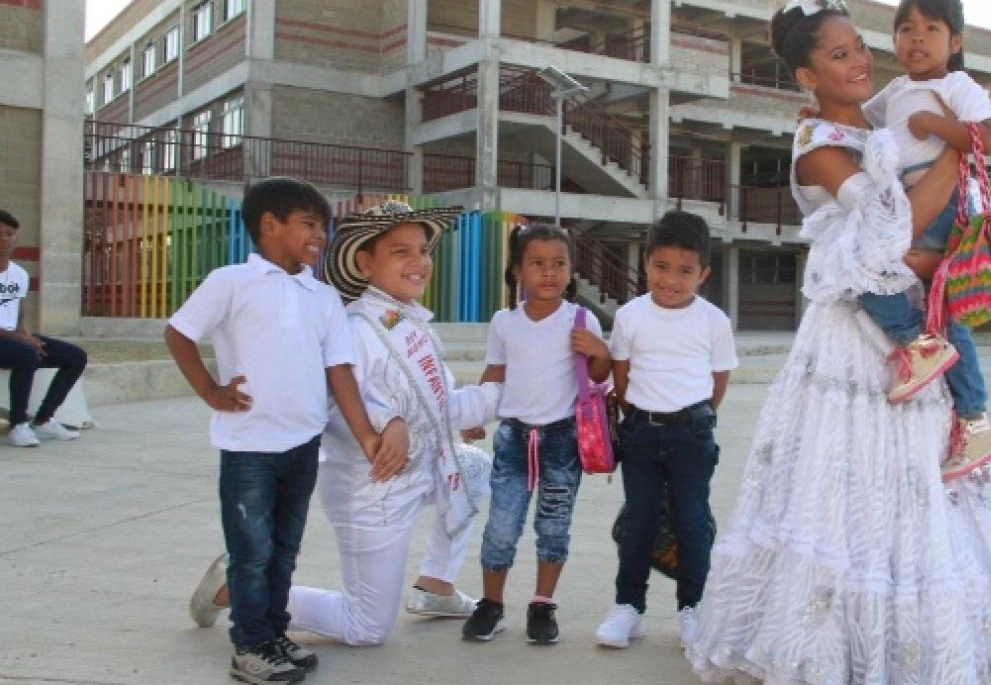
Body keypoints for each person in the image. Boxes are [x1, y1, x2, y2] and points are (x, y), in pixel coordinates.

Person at [686, 0, 991, 685]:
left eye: (859, 47)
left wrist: (930, 238)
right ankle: (837, 645)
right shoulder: (820, 146)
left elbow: (911, 226)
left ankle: (911, 645)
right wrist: (955, 145)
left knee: (918, 479)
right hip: (856, 342)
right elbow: (894, 226)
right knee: (848, 484)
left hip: (920, 327)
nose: (859, 62)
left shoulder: (881, 119)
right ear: (806, 75)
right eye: (838, 54)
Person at [186, 201, 503, 649]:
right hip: (373, 488)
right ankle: (234, 588)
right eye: (400, 252)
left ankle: (436, 585)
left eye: (423, 250)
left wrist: (513, 396)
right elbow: (334, 402)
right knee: (367, 627)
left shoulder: (407, 321)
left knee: (473, 468)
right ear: (365, 261)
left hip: (417, 469)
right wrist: (388, 420)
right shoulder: (353, 326)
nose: (419, 263)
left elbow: (442, 406)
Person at [165, 177, 383, 685]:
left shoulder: (322, 297)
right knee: (251, 552)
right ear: (270, 224)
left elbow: (339, 372)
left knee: (285, 549)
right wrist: (210, 391)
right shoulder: (231, 282)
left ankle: (274, 632)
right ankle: (248, 647)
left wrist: (367, 434)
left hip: (302, 444)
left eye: (324, 228)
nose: (320, 236)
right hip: (249, 448)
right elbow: (179, 332)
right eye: (309, 224)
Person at [857, 0, 991, 481]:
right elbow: (861, 119)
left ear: (955, 41)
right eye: (906, 29)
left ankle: (919, 347)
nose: (917, 39)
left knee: (868, 269)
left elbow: (989, 140)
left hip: (942, 204)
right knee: (940, 312)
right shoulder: (895, 90)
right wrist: (819, 114)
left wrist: (934, 122)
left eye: (931, 29)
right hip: (904, 202)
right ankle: (972, 419)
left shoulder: (957, 88)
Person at [594, 210, 738, 650]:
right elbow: (622, 375)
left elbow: (719, 381)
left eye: (684, 271)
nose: (671, 280)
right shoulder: (631, 316)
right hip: (640, 433)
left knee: (691, 521)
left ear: (703, 274)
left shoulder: (714, 321)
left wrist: (694, 417)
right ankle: (628, 608)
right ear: (646, 264)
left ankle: (692, 610)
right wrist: (638, 417)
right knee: (638, 520)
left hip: (691, 435)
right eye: (661, 267)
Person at [461, 223, 611, 645]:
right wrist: (477, 414)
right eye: (538, 264)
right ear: (517, 272)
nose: (549, 273)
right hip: (512, 440)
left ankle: (542, 604)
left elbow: (598, 377)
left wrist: (600, 353)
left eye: (559, 264)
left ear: (570, 270)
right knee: (501, 527)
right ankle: (491, 605)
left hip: (563, 441)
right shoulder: (504, 323)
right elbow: (495, 372)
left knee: (554, 526)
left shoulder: (581, 320)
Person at [0, 209, 87, 447]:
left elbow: (18, 317)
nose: (4, 239)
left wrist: (27, 337)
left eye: (9, 234)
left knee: (75, 356)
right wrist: (23, 342)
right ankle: (18, 425)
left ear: (16, 239)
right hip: (7, 342)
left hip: (13, 339)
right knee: (25, 353)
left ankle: (44, 418)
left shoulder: (19, 275)